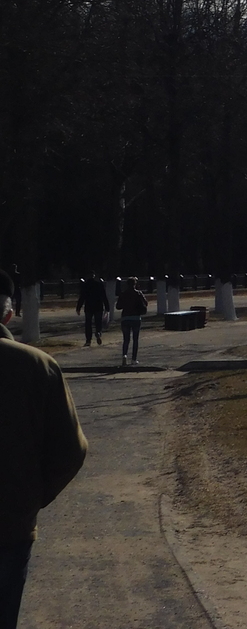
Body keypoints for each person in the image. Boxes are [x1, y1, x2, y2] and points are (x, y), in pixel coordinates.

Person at [0, 269, 88, 628]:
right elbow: (71, 449)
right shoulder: (37, 366)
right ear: (8, 313)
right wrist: (30, 497)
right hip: (8, 528)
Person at [115, 280, 148, 366]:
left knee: (126, 339)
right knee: (135, 339)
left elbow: (118, 306)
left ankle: (124, 356)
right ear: (135, 284)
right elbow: (146, 303)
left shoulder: (123, 294)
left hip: (125, 318)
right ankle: (134, 359)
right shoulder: (138, 293)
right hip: (136, 318)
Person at [74, 274, 109, 347]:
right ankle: (98, 332)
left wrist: (78, 307)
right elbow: (104, 296)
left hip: (89, 307)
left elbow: (82, 297)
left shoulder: (85, 285)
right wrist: (107, 307)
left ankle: (88, 340)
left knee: (88, 324)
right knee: (98, 322)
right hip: (98, 306)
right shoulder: (99, 285)